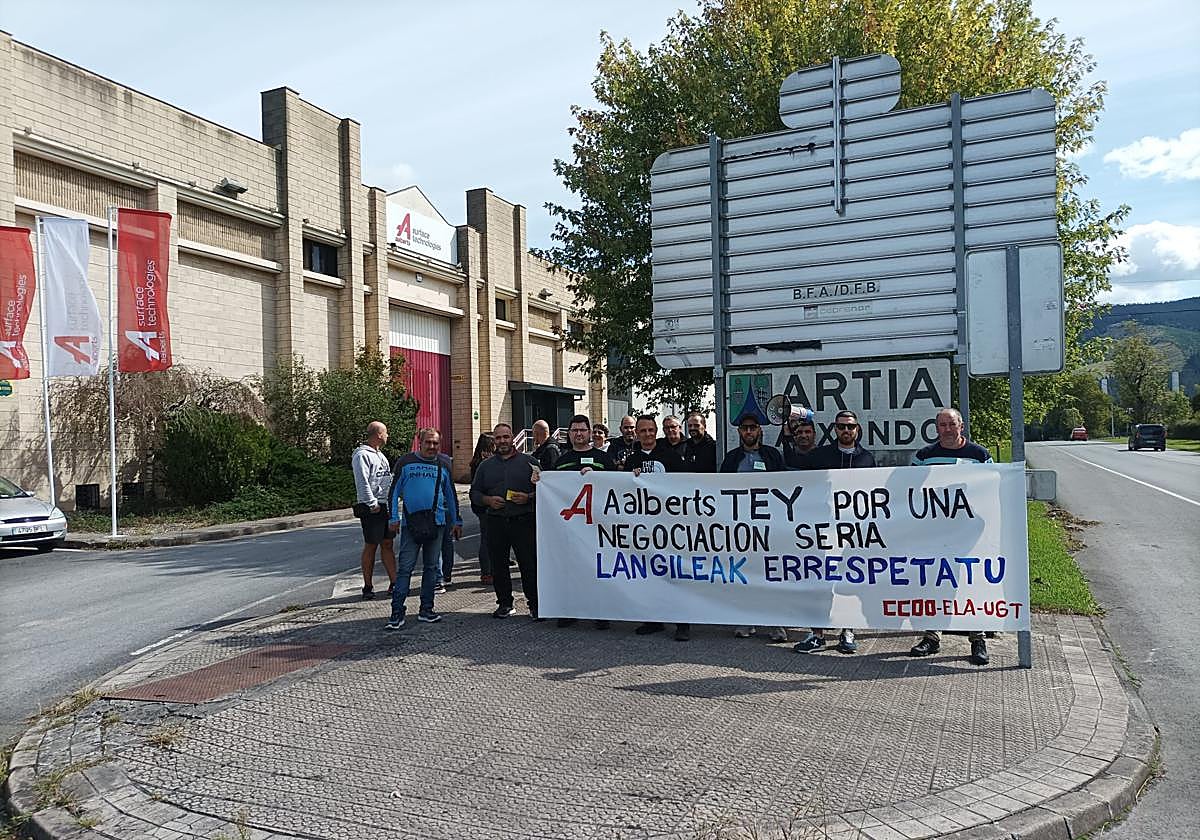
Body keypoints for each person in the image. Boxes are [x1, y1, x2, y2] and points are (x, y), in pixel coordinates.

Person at [908, 407, 994, 666]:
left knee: (970, 583)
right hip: (935, 534)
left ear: (961, 426)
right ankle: (932, 636)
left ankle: (977, 639)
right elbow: (911, 490)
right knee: (935, 583)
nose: (947, 429)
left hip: (970, 533)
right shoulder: (924, 456)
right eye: (942, 425)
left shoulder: (979, 455)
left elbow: (992, 488)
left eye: (951, 424)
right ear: (937, 428)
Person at [794, 410, 875, 655]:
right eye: (841, 427)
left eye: (850, 426)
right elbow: (794, 478)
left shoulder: (867, 458)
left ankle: (847, 631)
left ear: (857, 429)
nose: (846, 431)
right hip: (822, 529)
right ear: (835, 429)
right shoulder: (819, 456)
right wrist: (787, 435)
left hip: (853, 532)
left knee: (849, 581)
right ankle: (816, 634)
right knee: (819, 582)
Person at [384, 428, 462, 629]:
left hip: (437, 525)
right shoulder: (405, 462)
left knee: (431, 568)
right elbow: (393, 492)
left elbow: (451, 496)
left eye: (436, 443)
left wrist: (457, 521)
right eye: (428, 442)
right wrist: (393, 517)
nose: (432, 447)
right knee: (405, 569)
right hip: (411, 525)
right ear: (420, 442)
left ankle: (426, 609)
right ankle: (396, 613)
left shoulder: (443, 464)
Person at [722, 412, 789, 643]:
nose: (748, 432)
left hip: (769, 526)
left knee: (771, 574)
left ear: (760, 430)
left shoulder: (772, 455)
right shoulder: (731, 459)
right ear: (739, 432)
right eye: (744, 428)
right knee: (745, 573)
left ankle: (775, 622)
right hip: (741, 527)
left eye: (752, 427)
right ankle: (747, 619)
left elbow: (785, 487)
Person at [624, 414, 690, 641]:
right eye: (643, 431)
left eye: (651, 430)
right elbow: (621, 491)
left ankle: (683, 623)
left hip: (670, 526)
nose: (647, 434)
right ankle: (653, 619)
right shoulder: (632, 461)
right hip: (644, 527)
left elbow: (685, 486)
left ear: (656, 431)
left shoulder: (671, 456)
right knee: (649, 574)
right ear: (637, 434)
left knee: (675, 573)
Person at [470, 423, 541, 620]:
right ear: (494, 441)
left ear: (512, 438)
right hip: (496, 522)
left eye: (506, 437)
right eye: (498, 438)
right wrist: (487, 500)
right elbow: (474, 493)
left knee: (529, 565)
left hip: (523, 521)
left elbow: (546, 490)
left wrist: (528, 497)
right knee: (498, 565)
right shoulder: (485, 466)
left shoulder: (530, 462)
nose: (502, 441)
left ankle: (535, 605)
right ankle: (505, 603)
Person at [551, 414, 615, 630]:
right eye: (574, 430)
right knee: (572, 570)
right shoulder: (560, 461)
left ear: (589, 433)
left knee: (598, 570)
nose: (578, 434)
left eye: (582, 430)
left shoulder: (603, 459)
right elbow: (551, 489)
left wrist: (596, 475)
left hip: (598, 526)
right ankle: (571, 611)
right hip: (570, 528)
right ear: (569, 434)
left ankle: (601, 612)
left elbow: (617, 485)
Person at [351, 421, 397, 600]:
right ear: (378, 434)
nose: (388, 436)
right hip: (373, 507)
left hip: (385, 504)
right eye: (386, 432)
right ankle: (368, 586)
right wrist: (372, 504)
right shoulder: (362, 455)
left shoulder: (381, 455)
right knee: (371, 544)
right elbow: (362, 481)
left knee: (387, 543)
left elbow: (386, 478)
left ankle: (394, 582)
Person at [468, 433, 496, 585]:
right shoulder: (483, 464)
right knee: (487, 539)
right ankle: (487, 572)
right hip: (485, 505)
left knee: (487, 538)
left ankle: (488, 571)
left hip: (480, 506)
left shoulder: (476, 462)